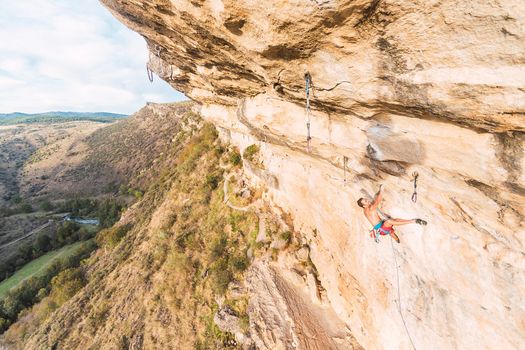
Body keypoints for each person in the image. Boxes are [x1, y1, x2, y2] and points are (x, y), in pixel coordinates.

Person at [357, 185, 427, 243]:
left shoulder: (365, 210)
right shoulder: (371, 208)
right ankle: (414, 221)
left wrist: (383, 214)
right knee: (389, 221)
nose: (368, 201)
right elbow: (377, 200)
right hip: (381, 229)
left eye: (366, 199)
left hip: (381, 226)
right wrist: (381, 191)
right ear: (364, 205)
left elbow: (374, 215)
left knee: (394, 221)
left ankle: (397, 239)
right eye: (366, 201)